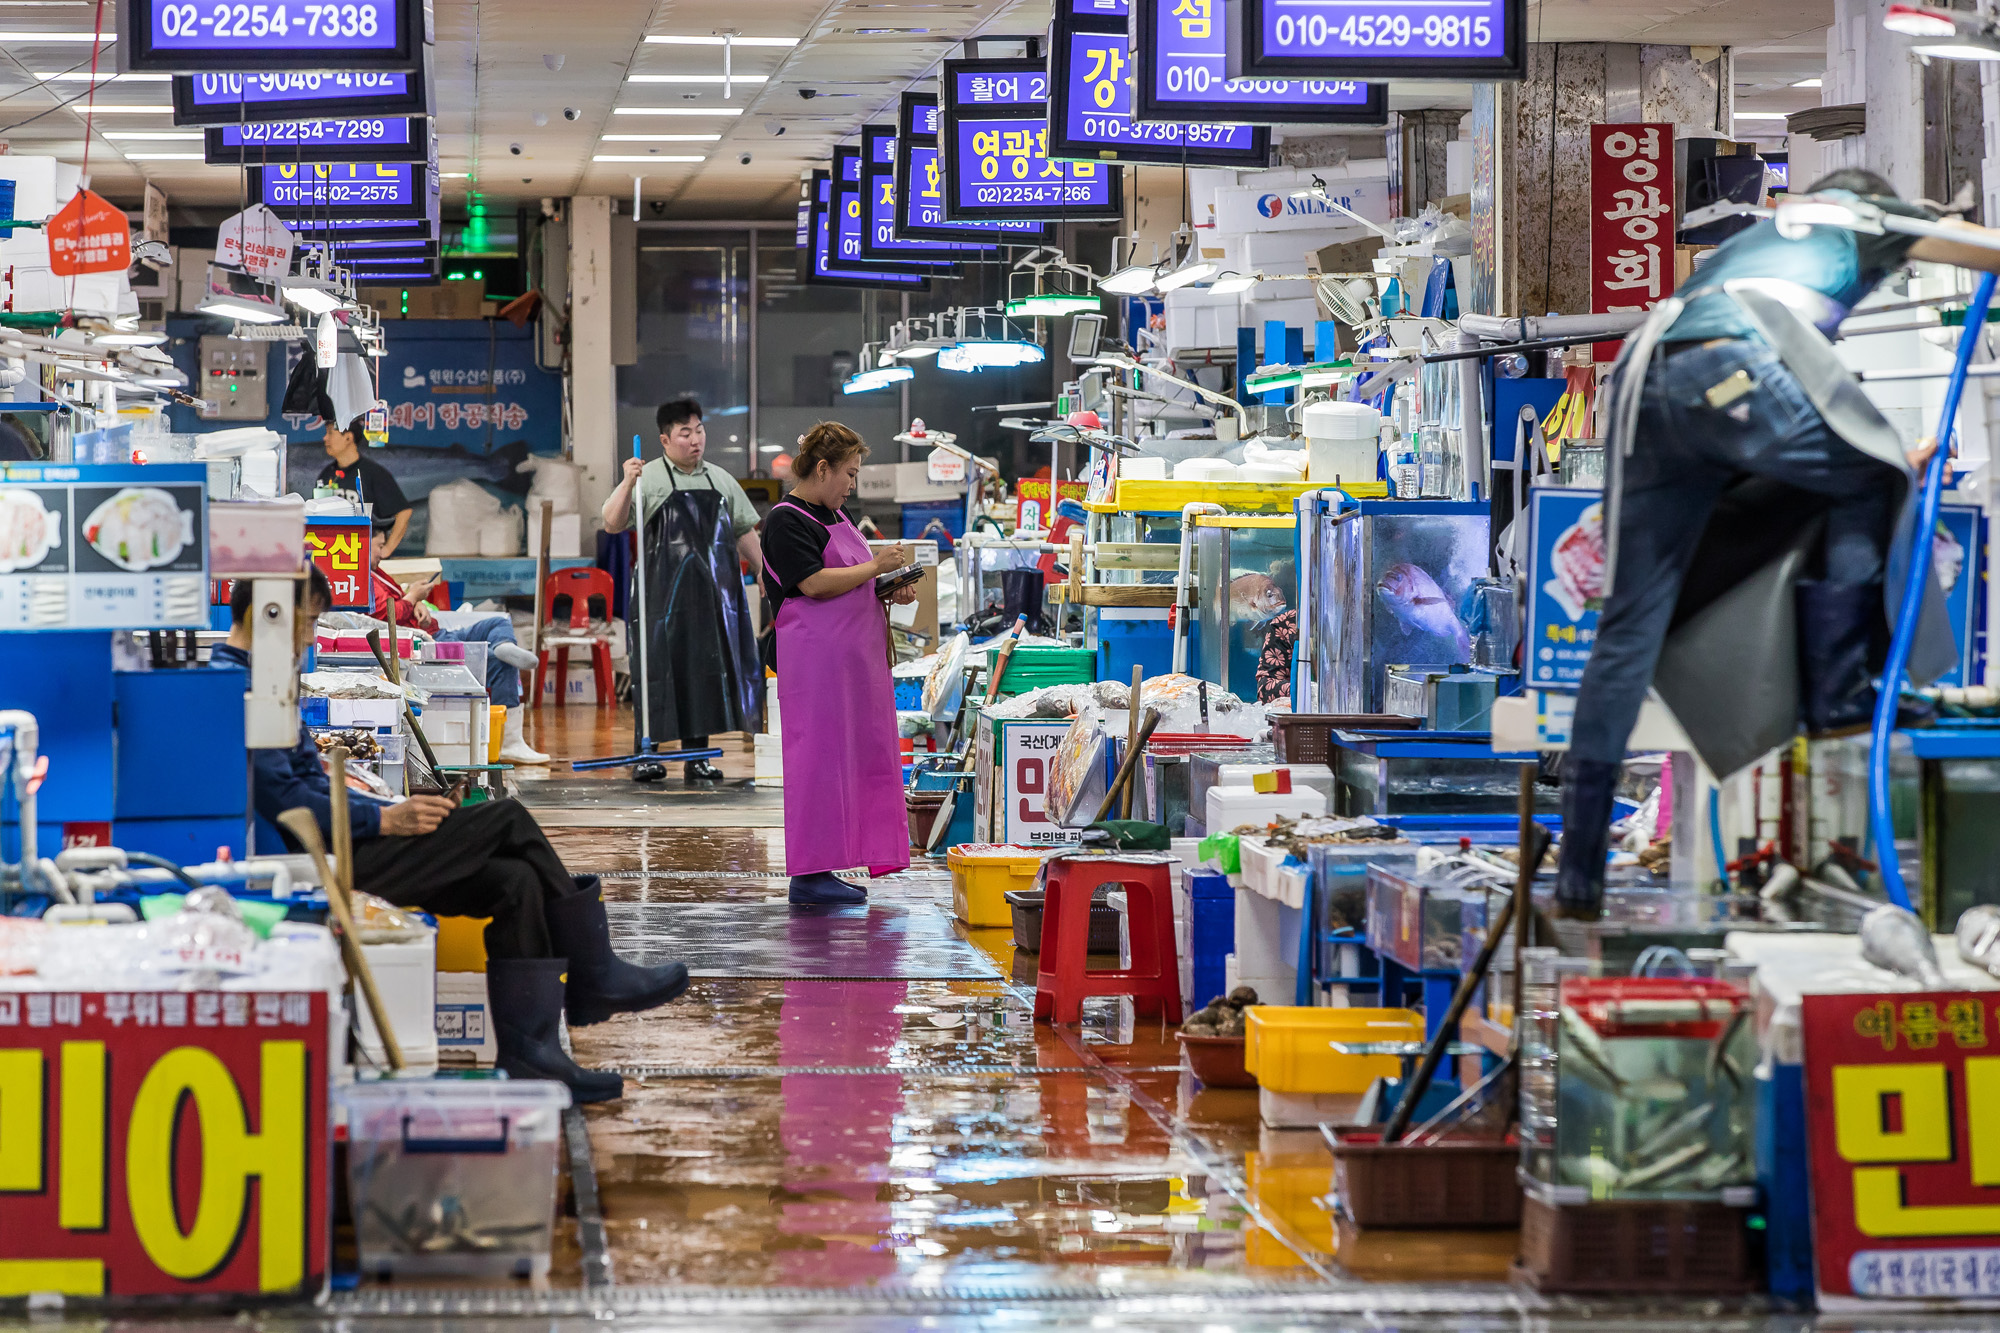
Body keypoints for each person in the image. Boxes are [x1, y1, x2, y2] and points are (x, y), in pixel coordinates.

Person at [1558, 168, 2000, 919]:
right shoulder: (1860, 213)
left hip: (1641, 379)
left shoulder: (1770, 237)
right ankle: (1843, 693)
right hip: (1726, 361)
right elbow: (1985, 252)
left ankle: (1578, 875)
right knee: (1873, 476)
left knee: (1626, 630)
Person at [213, 569, 685, 1103]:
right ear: (264, 614)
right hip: (315, 865)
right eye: (304, 622)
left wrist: (379, 807)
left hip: (340, 839)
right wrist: (385, 820)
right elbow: (286, 804)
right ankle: (594, 973)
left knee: (514, 881)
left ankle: (532, 1056)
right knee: (507, 820)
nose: (307, 636)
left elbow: (301, 783)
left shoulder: (266, 678)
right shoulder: (239, 687)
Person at [762, 422, 918, 906]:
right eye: (848, 473)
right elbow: (811, 584)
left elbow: (849, 581)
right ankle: (810, 875)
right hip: (815, 666)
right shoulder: (785, 521)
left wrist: (888, 585)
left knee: (862, 760)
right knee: (819, 765)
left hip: (855, 664)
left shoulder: (836, 513)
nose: (852, 483)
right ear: (823, 467)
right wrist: (876, 566)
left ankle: (851, 855)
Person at [601, 398, 765, 783]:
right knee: (657, 670)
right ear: (665, 439)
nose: (696, 440)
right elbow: (612, 523)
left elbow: (743, 530)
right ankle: (647, 754)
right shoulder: (649, 479)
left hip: (711, 601)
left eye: (700, 430)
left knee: (706, 672)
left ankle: (698, 756)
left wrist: (763, 570)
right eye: (685, 433)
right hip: (660, 600)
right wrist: (627, 480)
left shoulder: (720, 480)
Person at [368, 566, 549, 765]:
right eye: (379, 545)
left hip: (440, 632)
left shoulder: (377, 572)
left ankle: (502, 644)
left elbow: (398, 605)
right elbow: (383, 615)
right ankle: (510, 742)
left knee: (497, 622)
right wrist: (412, 597)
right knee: (500, 664)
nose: (380, 552)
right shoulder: (365, 582)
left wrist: (417, 602)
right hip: (431, 643)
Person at [317, 417, 411, 562]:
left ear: (348, 438)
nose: (325, 438)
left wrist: (386, 550)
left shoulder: (373, 473)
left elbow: (404, 512)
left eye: (330, 433)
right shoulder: (326, 474)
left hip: (364, 558)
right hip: (334, 554)